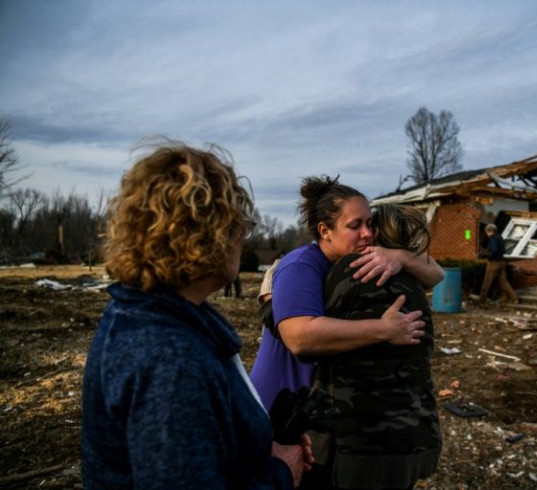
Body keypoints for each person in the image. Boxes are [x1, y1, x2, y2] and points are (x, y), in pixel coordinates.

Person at [81, 142, 312, 490]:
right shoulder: (170, 359)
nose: (242, 241)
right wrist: (280, 475)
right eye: (240, 226)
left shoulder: (148, 313)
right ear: (211, 236)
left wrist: (264, 446)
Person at [250, 175, 444, 411]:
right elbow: (299, 337)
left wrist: (401, 257)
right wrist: (385, 329)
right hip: (278, 405)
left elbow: (437, 273)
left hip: (312, 409)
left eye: (370, 224)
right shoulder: (301, 265)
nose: (367, 234)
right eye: (355, 226)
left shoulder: (359, 258)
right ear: (325, 231)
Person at [314, 203, 442, 490]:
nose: (363, 233)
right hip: (417, 433)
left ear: (376, 232)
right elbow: (438, 273)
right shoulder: (416, 280)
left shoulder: (353, 268)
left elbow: (311, 331)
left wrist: (272, 307)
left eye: (367, 225)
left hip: (364, 442)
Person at [477, 223, 518, 304]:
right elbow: (503, 250)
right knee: (504, 282)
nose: (486, 233)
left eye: (486, 231)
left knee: (486, 283)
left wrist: (486, 256)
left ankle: (481, 302)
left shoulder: (493, 239)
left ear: (489, 231)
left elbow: (494, 250)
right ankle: (515, 298)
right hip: (502, 262)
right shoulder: (500, 238)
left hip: (494, 263)